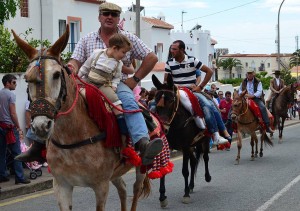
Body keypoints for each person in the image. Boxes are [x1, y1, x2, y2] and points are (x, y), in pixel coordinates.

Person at [164, 40, 230, 145]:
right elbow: (166, 81)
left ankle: (215, 135)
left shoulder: (192, 60)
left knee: (208, 105)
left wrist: (200, 87)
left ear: (182, 50)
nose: (172, 51)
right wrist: (173, 86)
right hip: (176, 92)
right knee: (155, 105)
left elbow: (209, 71)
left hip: (192, 91)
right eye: (171, 49)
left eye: (174, 49)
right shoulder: (169, 63)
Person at [77, 33, 132, 137]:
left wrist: (114, 85)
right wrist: (78, 77)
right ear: (115, 48)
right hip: (88, 81)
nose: (124, 56)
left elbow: (117, 77)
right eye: (123, 52)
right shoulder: (97, 54)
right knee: (75, 93)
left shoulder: (118, 64)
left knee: (116, 103)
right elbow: (85, 67)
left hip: (104, 85)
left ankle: (123, 129)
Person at [0, 74, 31, 184]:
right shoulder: (11, 95)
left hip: (1, 127)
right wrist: (18, 126)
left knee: (2, 152)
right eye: (14, 82)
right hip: (10, 128)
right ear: (7, 83)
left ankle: (2, 175)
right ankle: (19, 177)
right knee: (17, 153)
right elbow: (13, 113)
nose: (16, 84)